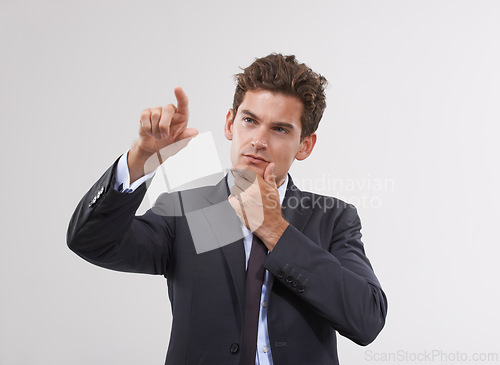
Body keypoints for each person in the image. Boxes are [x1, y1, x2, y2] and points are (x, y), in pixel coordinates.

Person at [67, 53, 387, 365]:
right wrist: (139, 159)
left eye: (279, 129)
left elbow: (366, 319)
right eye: (250, 120)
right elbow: (91, 241)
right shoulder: (186, 211)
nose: (258, 141)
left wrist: (275, 229)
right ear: (230, 123)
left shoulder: (331, 218)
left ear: (305, 145)